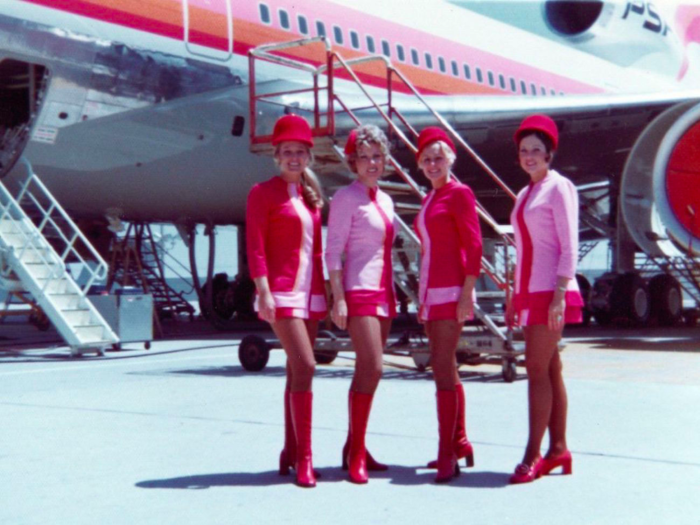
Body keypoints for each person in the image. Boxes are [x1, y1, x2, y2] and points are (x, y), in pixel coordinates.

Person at [245, 114, 327, 488]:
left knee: (296, 371)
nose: (294, 158)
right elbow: (256, 246)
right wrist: (263, 291)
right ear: (276, 156)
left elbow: (317, 251)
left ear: (308, 157)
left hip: (310, 293)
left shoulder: (312, 198)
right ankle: (305, 460)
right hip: (280, 293)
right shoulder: (261, 192)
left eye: (300, 152)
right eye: (287, 152)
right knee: (307, 366)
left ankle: (290, 450)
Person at [508, 114, 583, 484]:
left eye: (536, 149)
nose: (530, 156)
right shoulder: (525, 193)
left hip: (551, 292)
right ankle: (559, 449)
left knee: (535, 371)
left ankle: (531, 454)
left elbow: (570, 246)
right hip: (529, 291)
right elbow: (523, 251)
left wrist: (558, 296)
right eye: (524, 150)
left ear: (549, 153)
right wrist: (513, 294)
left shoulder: (560, 187)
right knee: (550, 370)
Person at [325, 125, 395, 484]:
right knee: (374, 368)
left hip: (384, 292)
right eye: (364, 157)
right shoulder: (344, 198)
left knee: (365, 372)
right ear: (353, 162)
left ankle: (355, 445)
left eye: (377, 156)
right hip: (357, 290)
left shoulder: (385, 199)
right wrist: (338, 297)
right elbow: (332, 250)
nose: (371, 163)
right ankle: (356, 454)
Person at [413, 127, 483, 483]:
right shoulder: (429, 199)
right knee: (447, 368)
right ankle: (458, 442)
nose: (432, 164)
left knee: (441, 366)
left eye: (438, 157)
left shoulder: (459, 194)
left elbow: (474, 246)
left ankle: (446, 455)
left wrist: (467, 293)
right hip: (429, 292)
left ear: (450, 159)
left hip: (451, 291)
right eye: (426, 159)